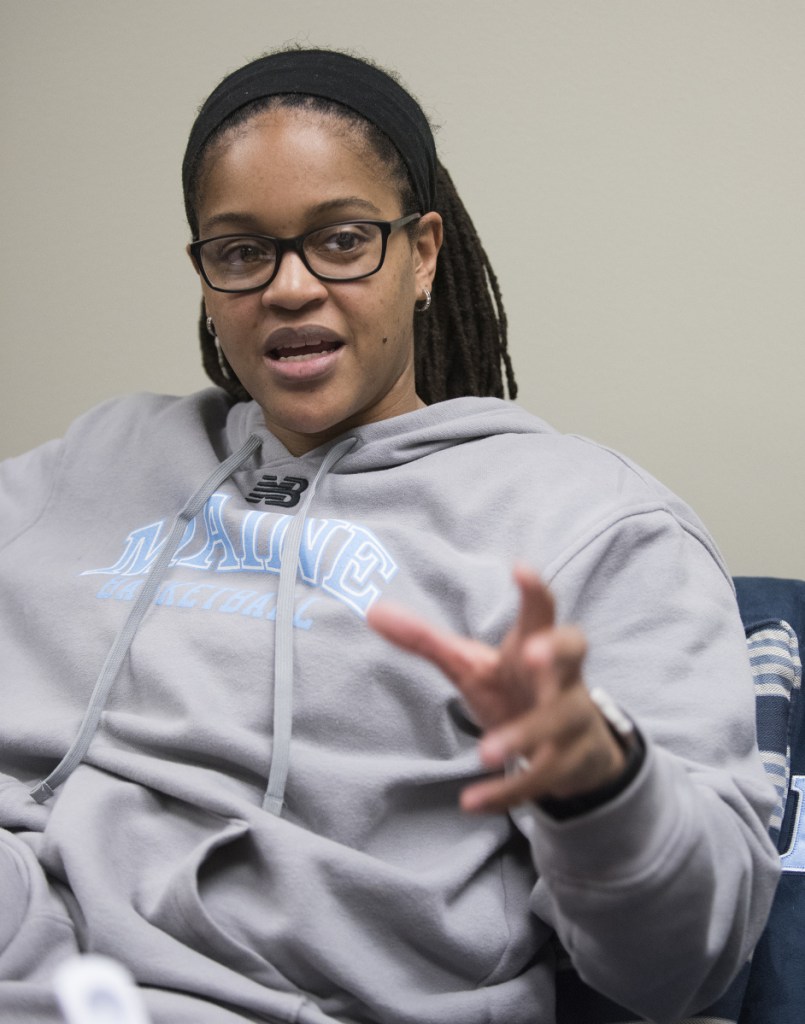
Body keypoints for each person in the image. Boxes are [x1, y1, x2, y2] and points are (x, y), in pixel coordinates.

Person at [0, 47, 779, 1024]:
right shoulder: (99, 459)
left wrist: (601, 787)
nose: (287, 287)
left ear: (423, 253)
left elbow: (685, 969)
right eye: (241, 250)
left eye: (339, 240)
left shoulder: (588, 524)